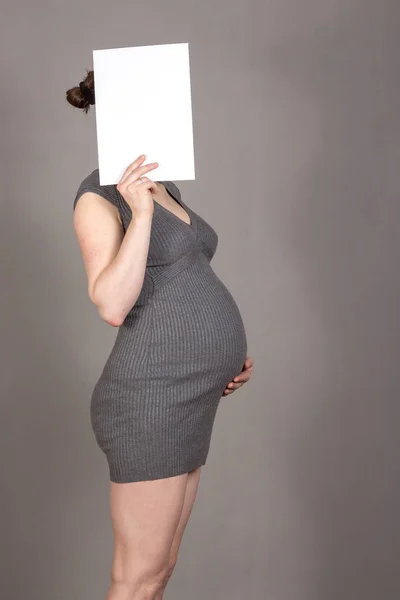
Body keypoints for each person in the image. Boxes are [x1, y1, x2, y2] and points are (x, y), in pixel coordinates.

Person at [66, 69, 255, 600]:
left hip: (192, 393)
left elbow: (186, 280)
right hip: (151, 398)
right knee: (137, 577)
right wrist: (142, 211)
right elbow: (111, 302)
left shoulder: (167, 185)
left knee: (161, 570)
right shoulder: (98, 196)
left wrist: (228, 354)